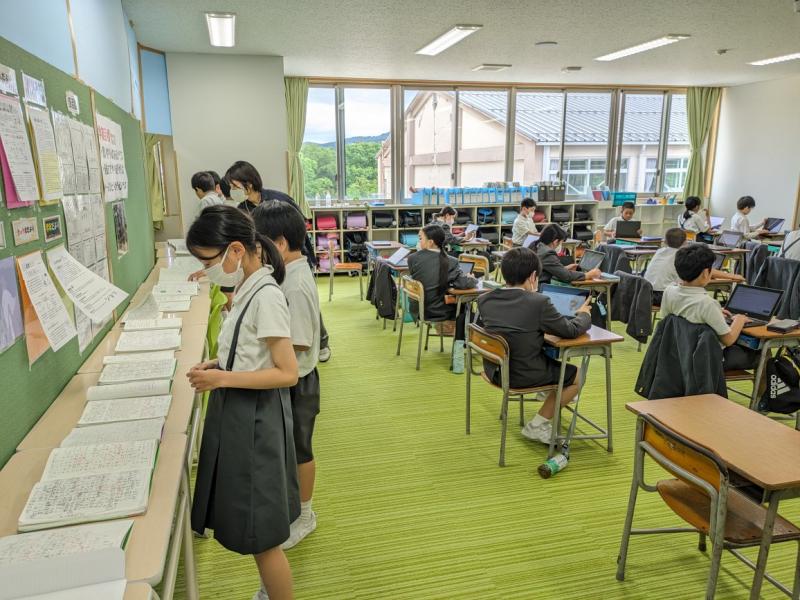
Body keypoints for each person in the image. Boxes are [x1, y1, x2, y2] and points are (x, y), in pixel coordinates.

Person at [185, 205, 299, 600]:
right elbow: (252, 352)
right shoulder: (247, 289)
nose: (207, 271)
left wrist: (222, 377)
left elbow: (287, 372)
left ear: (236, 250)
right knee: (254, 526)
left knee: (261, 536)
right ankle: (268, 590)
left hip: (256, 417)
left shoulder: (266, 297)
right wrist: (220, 363)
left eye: (208, 262)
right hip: (241, 408)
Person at [253, 201, 321, 552]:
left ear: (279, 243)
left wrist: (258, 354)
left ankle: (305, 514)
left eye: (260, 245)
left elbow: (298, 342)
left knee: (300, 449)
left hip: (299, 381)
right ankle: (293, 504)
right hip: (289, 377)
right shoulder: (287, 272)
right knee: (288, 448)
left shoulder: (295, 284)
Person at [477, 247, 591, 444]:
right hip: (521, 374)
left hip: (495, 369)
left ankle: (549, 392)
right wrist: (583, 314)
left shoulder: (484, 299)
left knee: (549, 361)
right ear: (532, 276)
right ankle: (537, 425)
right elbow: (571, 331)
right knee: (578, 376)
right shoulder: (539, 302)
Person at [225, 160, 331, 362]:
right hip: (276, 260)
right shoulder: (243, 208)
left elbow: (298, 230)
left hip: (293, 255)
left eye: (234, 185)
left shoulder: (279, 200)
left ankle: (322, 342)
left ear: (248, 183)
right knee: (289, 306)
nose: (232, 190)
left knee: (304, 307)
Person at [659, 243, 759, 371]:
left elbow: (667, 321)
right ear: (706, 273)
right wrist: (739, 320)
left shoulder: (669, 291)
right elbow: (729, 340)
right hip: (706, 360)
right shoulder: (707, 303)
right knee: (762, 354)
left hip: (678, 353)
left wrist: (716, 312)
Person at [407, 224, 478, 373]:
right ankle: (459, 355)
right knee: (465, 308)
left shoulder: (412, 258)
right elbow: (464, 284)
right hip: (437, 310)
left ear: (430, 242)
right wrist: (472, 278)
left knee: (461, 306)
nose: (418, 242)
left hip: (418, 308)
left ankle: (459, 350)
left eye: (420, 238)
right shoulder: (451, 261)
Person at [645, 229, 744, 305]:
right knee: (698, 295)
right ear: (685, 242)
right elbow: (709, 271)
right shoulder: (680, 255)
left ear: (665, 241)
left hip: (646, 293)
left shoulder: (660, 251)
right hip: (663, 295)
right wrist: (733, 276)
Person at [533, 224, 600, 285]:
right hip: (539, 288)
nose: (560, 245)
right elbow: (566, 276)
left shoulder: (536, 245)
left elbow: (546, 268)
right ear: (555, 241)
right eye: (561, 243)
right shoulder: (547, 253)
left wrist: (563, 268)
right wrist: (588, 275)